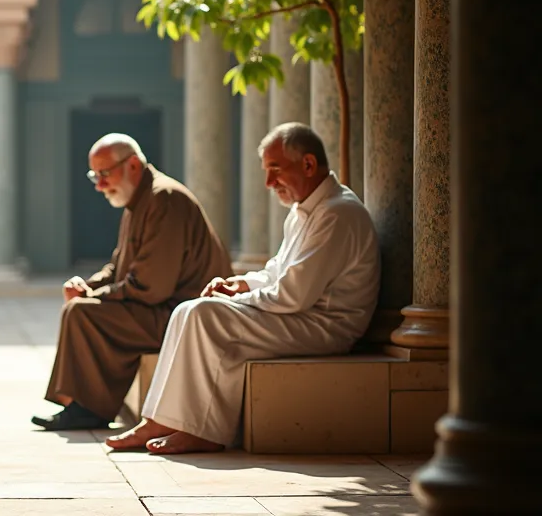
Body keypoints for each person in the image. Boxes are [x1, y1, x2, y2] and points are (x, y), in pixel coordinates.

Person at [106, 122, 379, 454]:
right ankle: (160, 420)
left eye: (275, 170)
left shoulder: (338, 214)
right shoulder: (304, 210)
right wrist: (241, 284)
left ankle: (203, 431)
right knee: (186, 310)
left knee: (206, 315)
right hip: (302, 314)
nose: (268, 183)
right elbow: (279, 271)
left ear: (308, 164)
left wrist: (239, 299)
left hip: (325, 325)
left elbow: (293, 294)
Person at [32, 133, 231, 431]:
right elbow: (118, 266)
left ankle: (86, 408)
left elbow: (150, 288)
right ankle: (83, 405)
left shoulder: (164, 199)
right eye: (94, 176)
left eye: (104, 174)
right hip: (162, 308)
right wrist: (88, 287)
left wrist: (96, 297)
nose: (99, 185)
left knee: (82, 313)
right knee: (81, 307)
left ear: (134, 165)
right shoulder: (139, 200)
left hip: (182, 315)